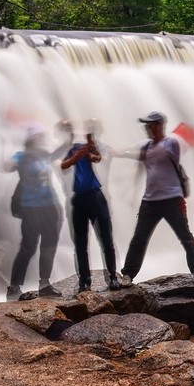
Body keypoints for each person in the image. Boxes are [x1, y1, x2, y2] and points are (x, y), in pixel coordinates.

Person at [119, 111, 194, 286]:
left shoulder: (170, 143)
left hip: (172, 199)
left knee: (184, 236)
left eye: (149, 125)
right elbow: (136, 157)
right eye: (146, 125)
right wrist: (114, 153)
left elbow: (175, 147)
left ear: (158, 125)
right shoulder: (145, 147)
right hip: (150, 201)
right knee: (139, 238)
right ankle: (128, 274)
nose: (146, 128)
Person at [5, 124, 63, 301]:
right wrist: (2, 147)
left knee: (49, 244)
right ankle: (14, 288)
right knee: (28, 246)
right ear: (31, 139)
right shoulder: (22, 156)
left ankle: (44, 284)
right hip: (30, 207)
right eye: (39, 137)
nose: (42, 139)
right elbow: (6, 166)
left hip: (49, 206)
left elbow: (59, 157)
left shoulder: (45, 155)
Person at [61, 121, 120, 294]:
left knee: (106, 239)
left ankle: (112, 277)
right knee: (80, 243)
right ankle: (84, 282)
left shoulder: (91, 148)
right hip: (78, 198)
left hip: (95, 195)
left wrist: (90, 152)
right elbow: (64, 165)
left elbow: (97, 158)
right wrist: (76, 156)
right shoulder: (73, 149)